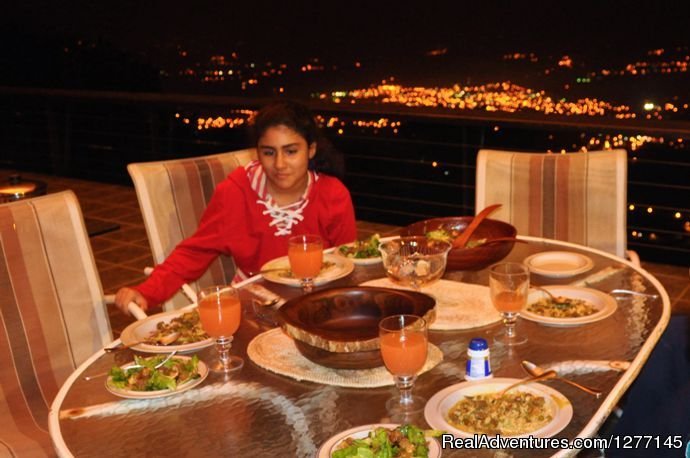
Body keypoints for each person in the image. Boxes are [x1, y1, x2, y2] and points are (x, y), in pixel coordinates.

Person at [115, 100, 357, 314]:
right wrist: (146, 292)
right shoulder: (235, 192)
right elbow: (194, 252)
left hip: (317, 304)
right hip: (254, 307)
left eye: (291, 151)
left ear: (311, 149)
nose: (280, 164)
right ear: (257, 152)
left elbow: (347, 263)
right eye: (269, 152)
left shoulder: (333, 194)